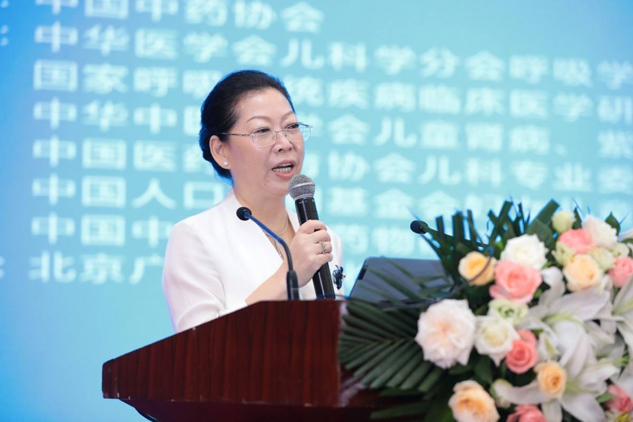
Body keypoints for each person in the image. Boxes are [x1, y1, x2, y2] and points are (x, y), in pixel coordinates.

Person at [162, 70, 344, 333]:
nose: (284, 143)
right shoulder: (195, 237)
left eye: (291, 127)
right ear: (220, 150)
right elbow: (199, 347)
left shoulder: (323, 238)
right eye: (262, 130)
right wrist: (288, 277)